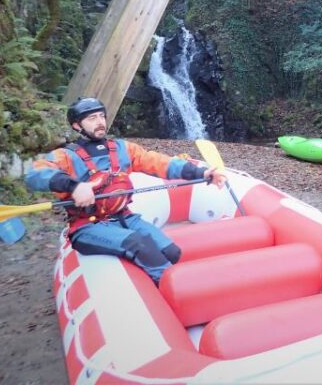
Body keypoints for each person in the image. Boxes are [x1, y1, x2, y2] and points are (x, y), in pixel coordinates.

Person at [26, 97, 228, 284]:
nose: (100, 122)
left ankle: (156, 285)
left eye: (102, 116)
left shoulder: (122, 149)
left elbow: (159, 163)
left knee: (171, 251)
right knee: (138, 245)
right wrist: (74, 186)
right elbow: (35, 174)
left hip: (125, 217)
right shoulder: (65, 156)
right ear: (77, 125)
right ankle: (178, 293)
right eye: (91, 118)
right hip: (87, 227)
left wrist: (202, 173)